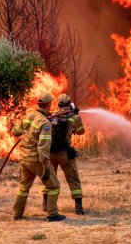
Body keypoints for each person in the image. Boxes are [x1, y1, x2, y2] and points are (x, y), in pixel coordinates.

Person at [11, 92, 66, 222]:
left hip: (24, 158)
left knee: (23, 188)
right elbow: (43, 146)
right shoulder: (45, 123)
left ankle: (17, 213)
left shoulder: (28, 116)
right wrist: (46, 165)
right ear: (48, 105)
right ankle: (52, 214)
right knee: (53, 186)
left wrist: (27, 133)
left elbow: (15, 131)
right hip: (36, 160)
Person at [43, 93, 85, 215]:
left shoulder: (52, 116)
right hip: (64, 153)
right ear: (69, 103)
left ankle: (46, 204)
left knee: (50, 178)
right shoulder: (73, 117)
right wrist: (76, 115)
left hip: (50, 153)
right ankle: (78, 207)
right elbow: (81, 131)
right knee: (73, 178)